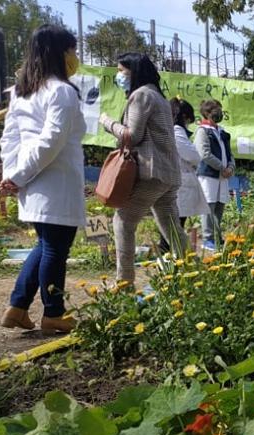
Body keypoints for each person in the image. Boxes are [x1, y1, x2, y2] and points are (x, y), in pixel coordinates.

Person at [0, 25, 85, 334]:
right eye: (71, 51)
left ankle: (18, 307)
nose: (74, 57)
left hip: (32, 181)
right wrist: (18, 176)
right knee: (55, 249)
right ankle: (53, 313)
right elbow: (51, 141)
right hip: (55, 181)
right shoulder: (61, 91)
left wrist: (12, 174)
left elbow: (9, 139)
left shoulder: (22, 93)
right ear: (59, 53)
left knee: (46, 244)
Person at [100, 53, 188, 283]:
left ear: (135, 72)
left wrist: (107, 122)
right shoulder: (158, 96)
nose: (119, 76)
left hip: (152, 172)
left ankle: (124, 283)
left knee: (123, 221)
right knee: (171, 228)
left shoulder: (141, 96)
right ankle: (192, 275)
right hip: (168, 173)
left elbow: (132, 135)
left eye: (122, 72)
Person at [158, 97, 209, 253]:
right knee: (175, 223)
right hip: (180, 183)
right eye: (188, 119)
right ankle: (170, 255)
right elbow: (194, 156)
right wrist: (194, 162)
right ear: (183, 116)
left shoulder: (165, 129)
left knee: (171, 222)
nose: (188, 122)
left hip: (172, 180)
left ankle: (169, 254)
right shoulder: (177, 131)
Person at [194, 99, 235, 250]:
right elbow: (204, 154)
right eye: (216, 110)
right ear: (207, 113)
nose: (219, 112)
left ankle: (217, 237)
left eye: (220, 109)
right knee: (208, 207)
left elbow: (229, 154)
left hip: (222, 176)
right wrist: (221, 167)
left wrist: (230, 167)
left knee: (220, 205)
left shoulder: (222, 132)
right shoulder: (202, 131)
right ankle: (207, 239)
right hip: (208, 175)